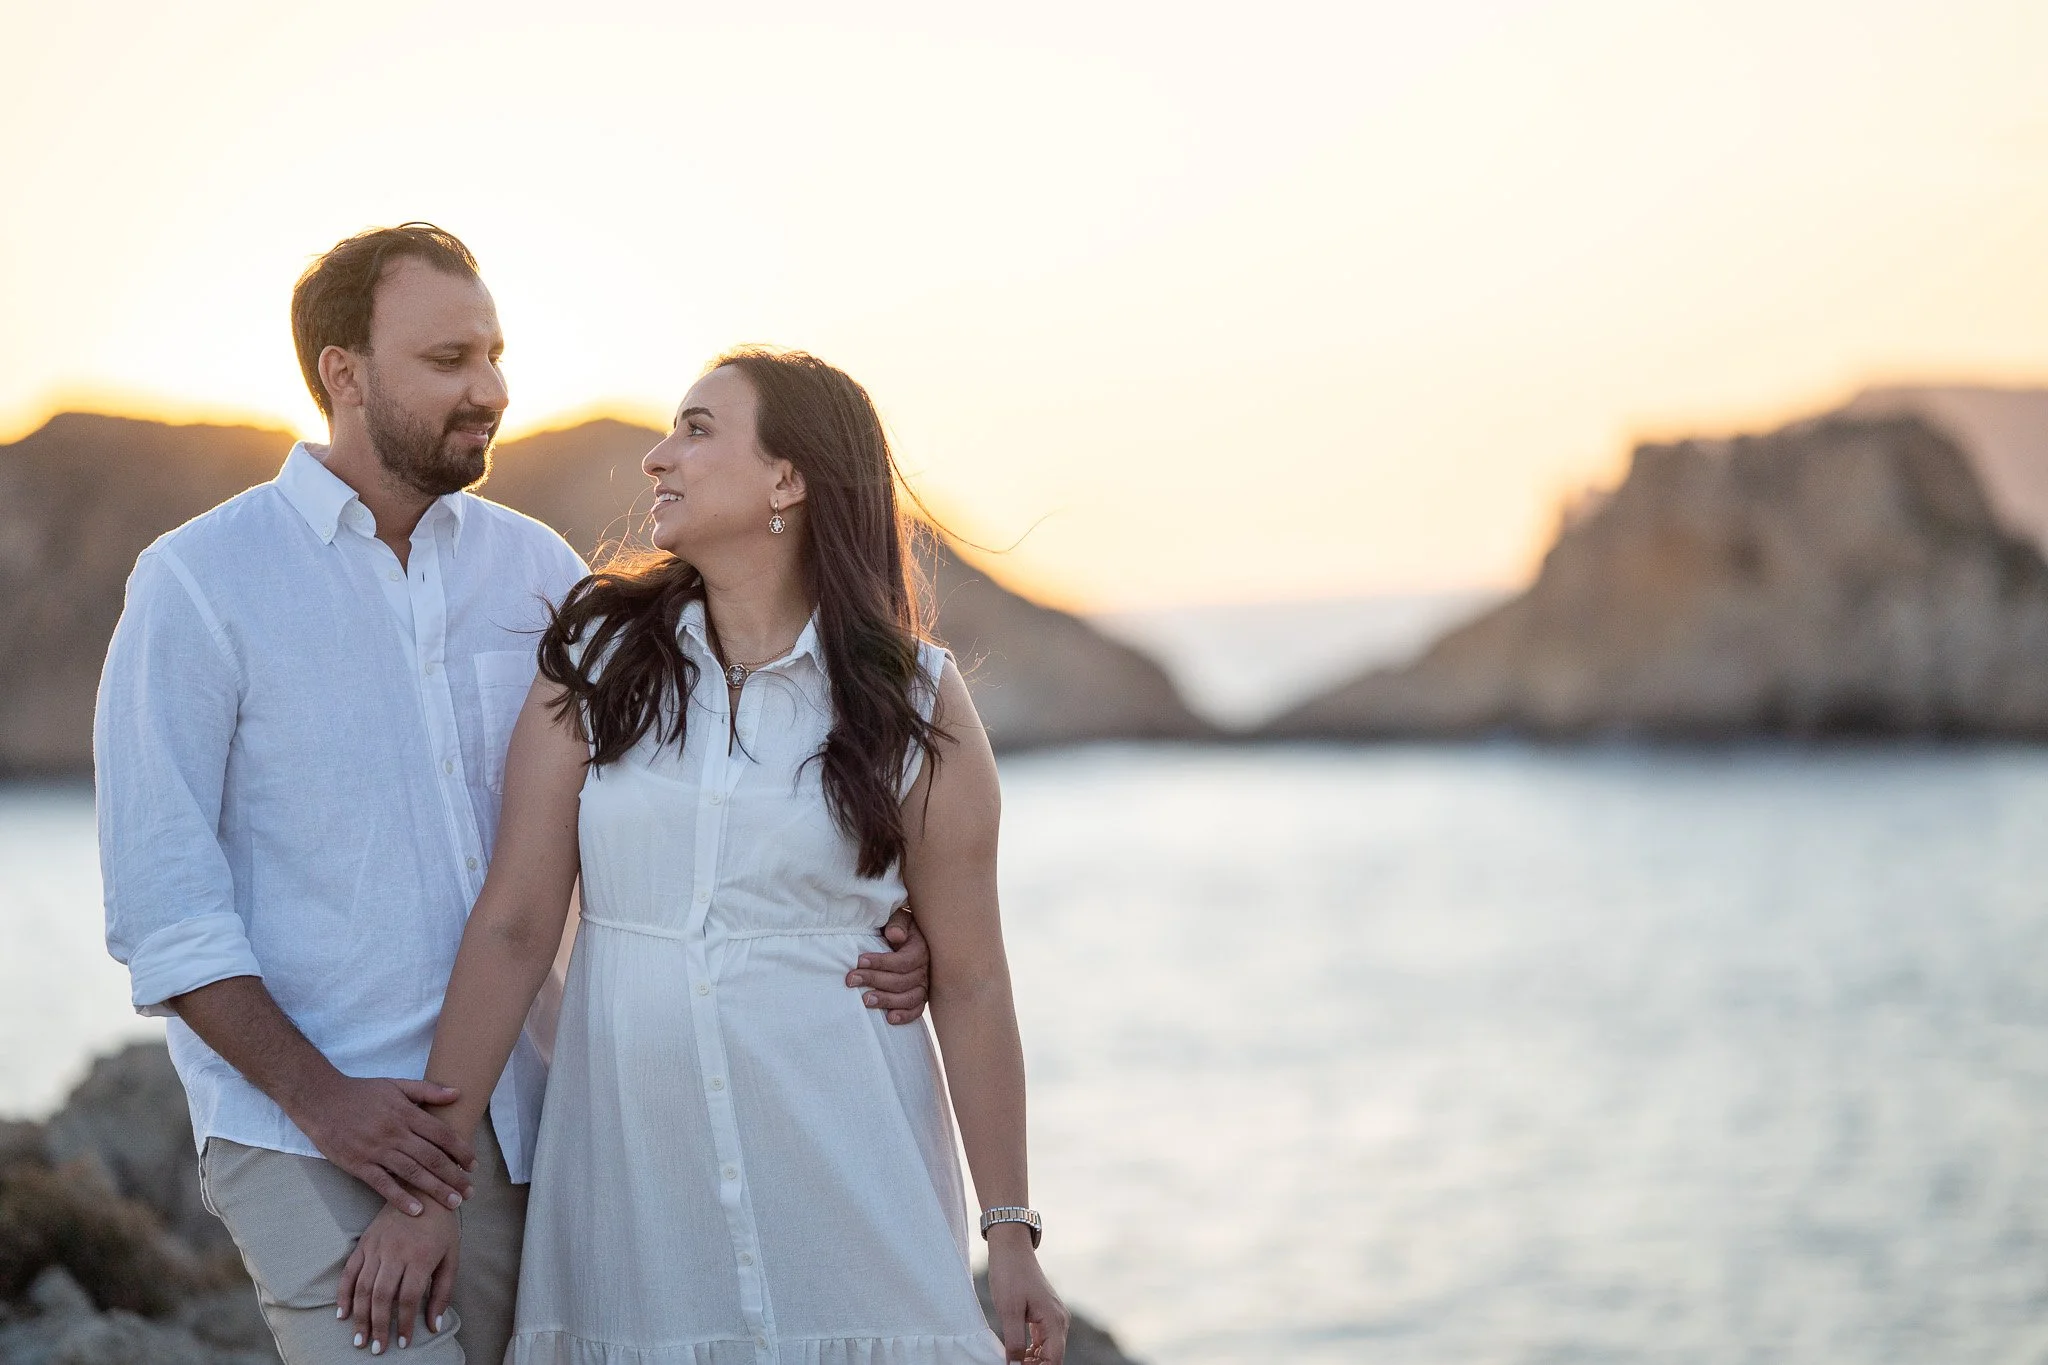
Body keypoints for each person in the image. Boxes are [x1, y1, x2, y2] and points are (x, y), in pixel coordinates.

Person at [93, 226, 931, 1365]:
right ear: (343, 373)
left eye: (493, 354)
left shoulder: (542, 576)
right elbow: (164, 910)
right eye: (447, 361)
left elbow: (708, 781)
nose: (488, 389)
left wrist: (884, 920)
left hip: (536, 1120)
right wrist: (328, 1103)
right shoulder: (198, 585)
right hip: (307, 1131)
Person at [340, 348, 1069, 1363]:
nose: (655, 458)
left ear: (787, 478)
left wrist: (1011, 1233)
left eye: (695, 429)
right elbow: (512, 928)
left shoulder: (914, 699)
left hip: (852, 1212)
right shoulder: (595, 663)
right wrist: (430, 1193)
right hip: (639, 1229)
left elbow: (975, 982)